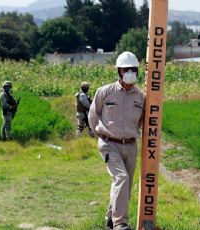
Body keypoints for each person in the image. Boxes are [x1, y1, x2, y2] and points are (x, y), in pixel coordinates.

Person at [88, 51, 145, 230]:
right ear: (119, 71)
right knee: (121, 178)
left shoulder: (141, 97)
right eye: (126, 69)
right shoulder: (105, 92)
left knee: (124, 185)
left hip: (130, 145)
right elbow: (93, 115)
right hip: (109, 143)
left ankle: (110, 218)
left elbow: (143, 121)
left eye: (133, 69)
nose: (130, 73)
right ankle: (120, 223)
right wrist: (100, 135)